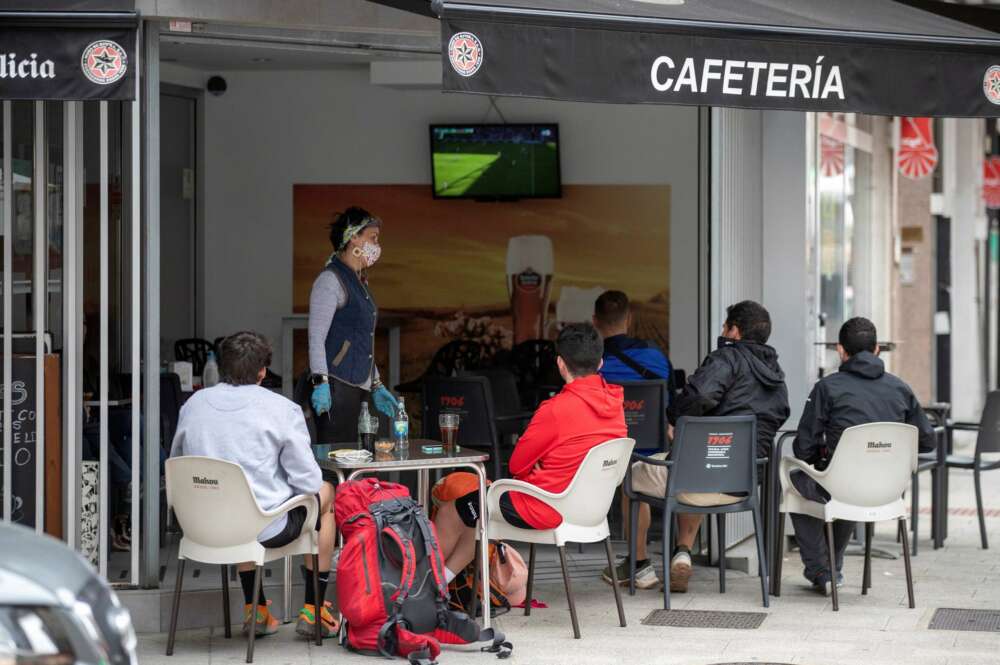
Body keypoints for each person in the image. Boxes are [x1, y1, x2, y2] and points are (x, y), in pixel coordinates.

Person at [605, 300, 789, 592]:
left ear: (735, 331)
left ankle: (638, 565)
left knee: (633, 476)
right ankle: (683, 551)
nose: (723, 331)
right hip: (743, 481)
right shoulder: (776, 376)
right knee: (703, 462)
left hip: (700, 476)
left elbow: (700, 393)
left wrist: (675, 419)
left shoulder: (725, 359)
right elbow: (780, 415)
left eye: (725, 326)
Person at [170, 332, 339, 639]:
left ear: (222, 366)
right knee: (326, 495)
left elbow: (177, 462)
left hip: (202, 526)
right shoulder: (281, 409)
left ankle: (256, 611)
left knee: (236, 501)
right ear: (263, 371)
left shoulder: (193, 404)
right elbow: (308, 481)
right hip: (262, 530)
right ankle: (315, 611)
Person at [433, 323, 626, 579]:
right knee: (480, 514)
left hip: (543, 507)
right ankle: (441, 584)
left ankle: (420, 589)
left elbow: (516, 465)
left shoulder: (555, 409)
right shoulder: (616, 405)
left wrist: (543, 465)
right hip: (593, 510)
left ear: (560, 363)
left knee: (451, 510)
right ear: (600, 363)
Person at [791, 317, 935, 593]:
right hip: (888, 491)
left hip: (841, 487)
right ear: (878, 349)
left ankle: (822, 569)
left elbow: (803, 448)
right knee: (848, 483)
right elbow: (927, 441)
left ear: (841, 351)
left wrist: (825, 450)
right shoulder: (900, 388)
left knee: (798, 481)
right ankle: (831, 568)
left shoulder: (827, 387)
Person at [308, 207, 398, 443]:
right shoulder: (330, 280)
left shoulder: (359, 282)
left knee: (357, 460)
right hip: (336, 388)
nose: (377, 245)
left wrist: (376, 383)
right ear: (353, 238)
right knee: (336, 459)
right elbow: (316, 337)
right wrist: (321, 382)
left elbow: (362, 340)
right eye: (373, 238)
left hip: (358, 386)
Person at [592, 290, 671, 385]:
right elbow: (671, 396)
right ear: (629, 319)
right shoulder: (657, 356)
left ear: (595, 321)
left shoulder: (588, 365)